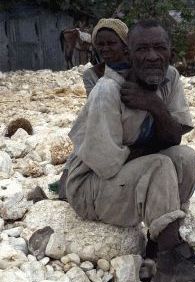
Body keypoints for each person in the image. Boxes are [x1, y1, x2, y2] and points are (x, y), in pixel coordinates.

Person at [64, 20, 195, 282]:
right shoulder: (107, 90)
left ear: (170, 53)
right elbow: (107, 166)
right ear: (129, 53)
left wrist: (153, 104)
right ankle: (172, 269)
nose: (152, 56)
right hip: (90, 188)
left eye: (159, 48)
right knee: (160, 165)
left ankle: (158, 245)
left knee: (185, 158)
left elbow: (174, 138)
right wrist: (151, 157)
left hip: (121, 182)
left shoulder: (169, 79)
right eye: (142, 49)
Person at [53, 18, 130, 200]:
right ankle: (69, 187)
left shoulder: (134, 71)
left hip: (128, 123)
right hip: (102, 123)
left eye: (111, 43)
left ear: (124, 45)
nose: (105, 49)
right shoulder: (91, 74)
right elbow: (95, 108)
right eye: (100, 44)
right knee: (79, 153)